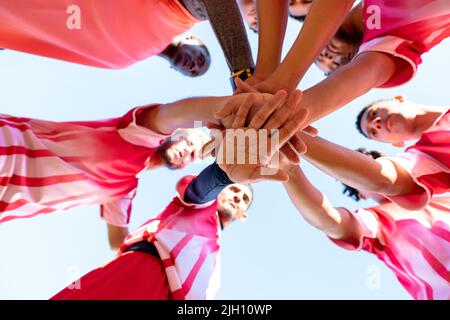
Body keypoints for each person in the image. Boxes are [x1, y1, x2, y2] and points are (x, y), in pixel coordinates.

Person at [0, 92, 278, 248]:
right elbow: (175, 112)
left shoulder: (123, 191)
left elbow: (118, 244)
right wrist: (231, 113)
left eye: (193, 155)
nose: (188, 151)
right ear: (175, 132)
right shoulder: (135, 135)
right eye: (189, 140)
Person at [226, 0, 450, 149]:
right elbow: (362, 75)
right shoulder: (387, 45)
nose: (329, 56)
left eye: (319, 55)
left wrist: (272, 76)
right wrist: (277, 116)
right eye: (333, 65)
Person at [51, 163, 254, 300]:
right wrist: (224, 171)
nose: (238, 197)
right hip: (141, 273)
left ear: (244, 215)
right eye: (235, 189)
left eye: (245, 198)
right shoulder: (198, 206)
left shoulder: (215, 268)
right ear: (221, 190)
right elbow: (200, 190)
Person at [280, 149, 450, 300]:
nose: (364, 171)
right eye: (354, 175)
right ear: (360, 194)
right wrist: (289, 170)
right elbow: (329, 220)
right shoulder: (374, 221)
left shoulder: (439, 187)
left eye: (368, 163)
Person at [0, 0, 254, 86]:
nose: (193, 66)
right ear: (193, 39)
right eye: (201, 59)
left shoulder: (122, 59)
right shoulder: (182, 13)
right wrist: (243, 72)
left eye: (193, 71)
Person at [355, 96, 449, 147]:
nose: (375, 123)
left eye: (374, 113)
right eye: (374, 132)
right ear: (397, 143)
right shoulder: (431, 165)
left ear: (398, 99)